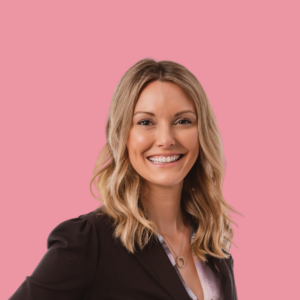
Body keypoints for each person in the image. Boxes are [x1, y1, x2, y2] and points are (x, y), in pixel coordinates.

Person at [9, 58, 239, 300]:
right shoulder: (89, 242)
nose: (166, 139)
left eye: (183, 121)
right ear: (123, 136)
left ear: (202, 132)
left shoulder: (213, 246)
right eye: (145, 122)